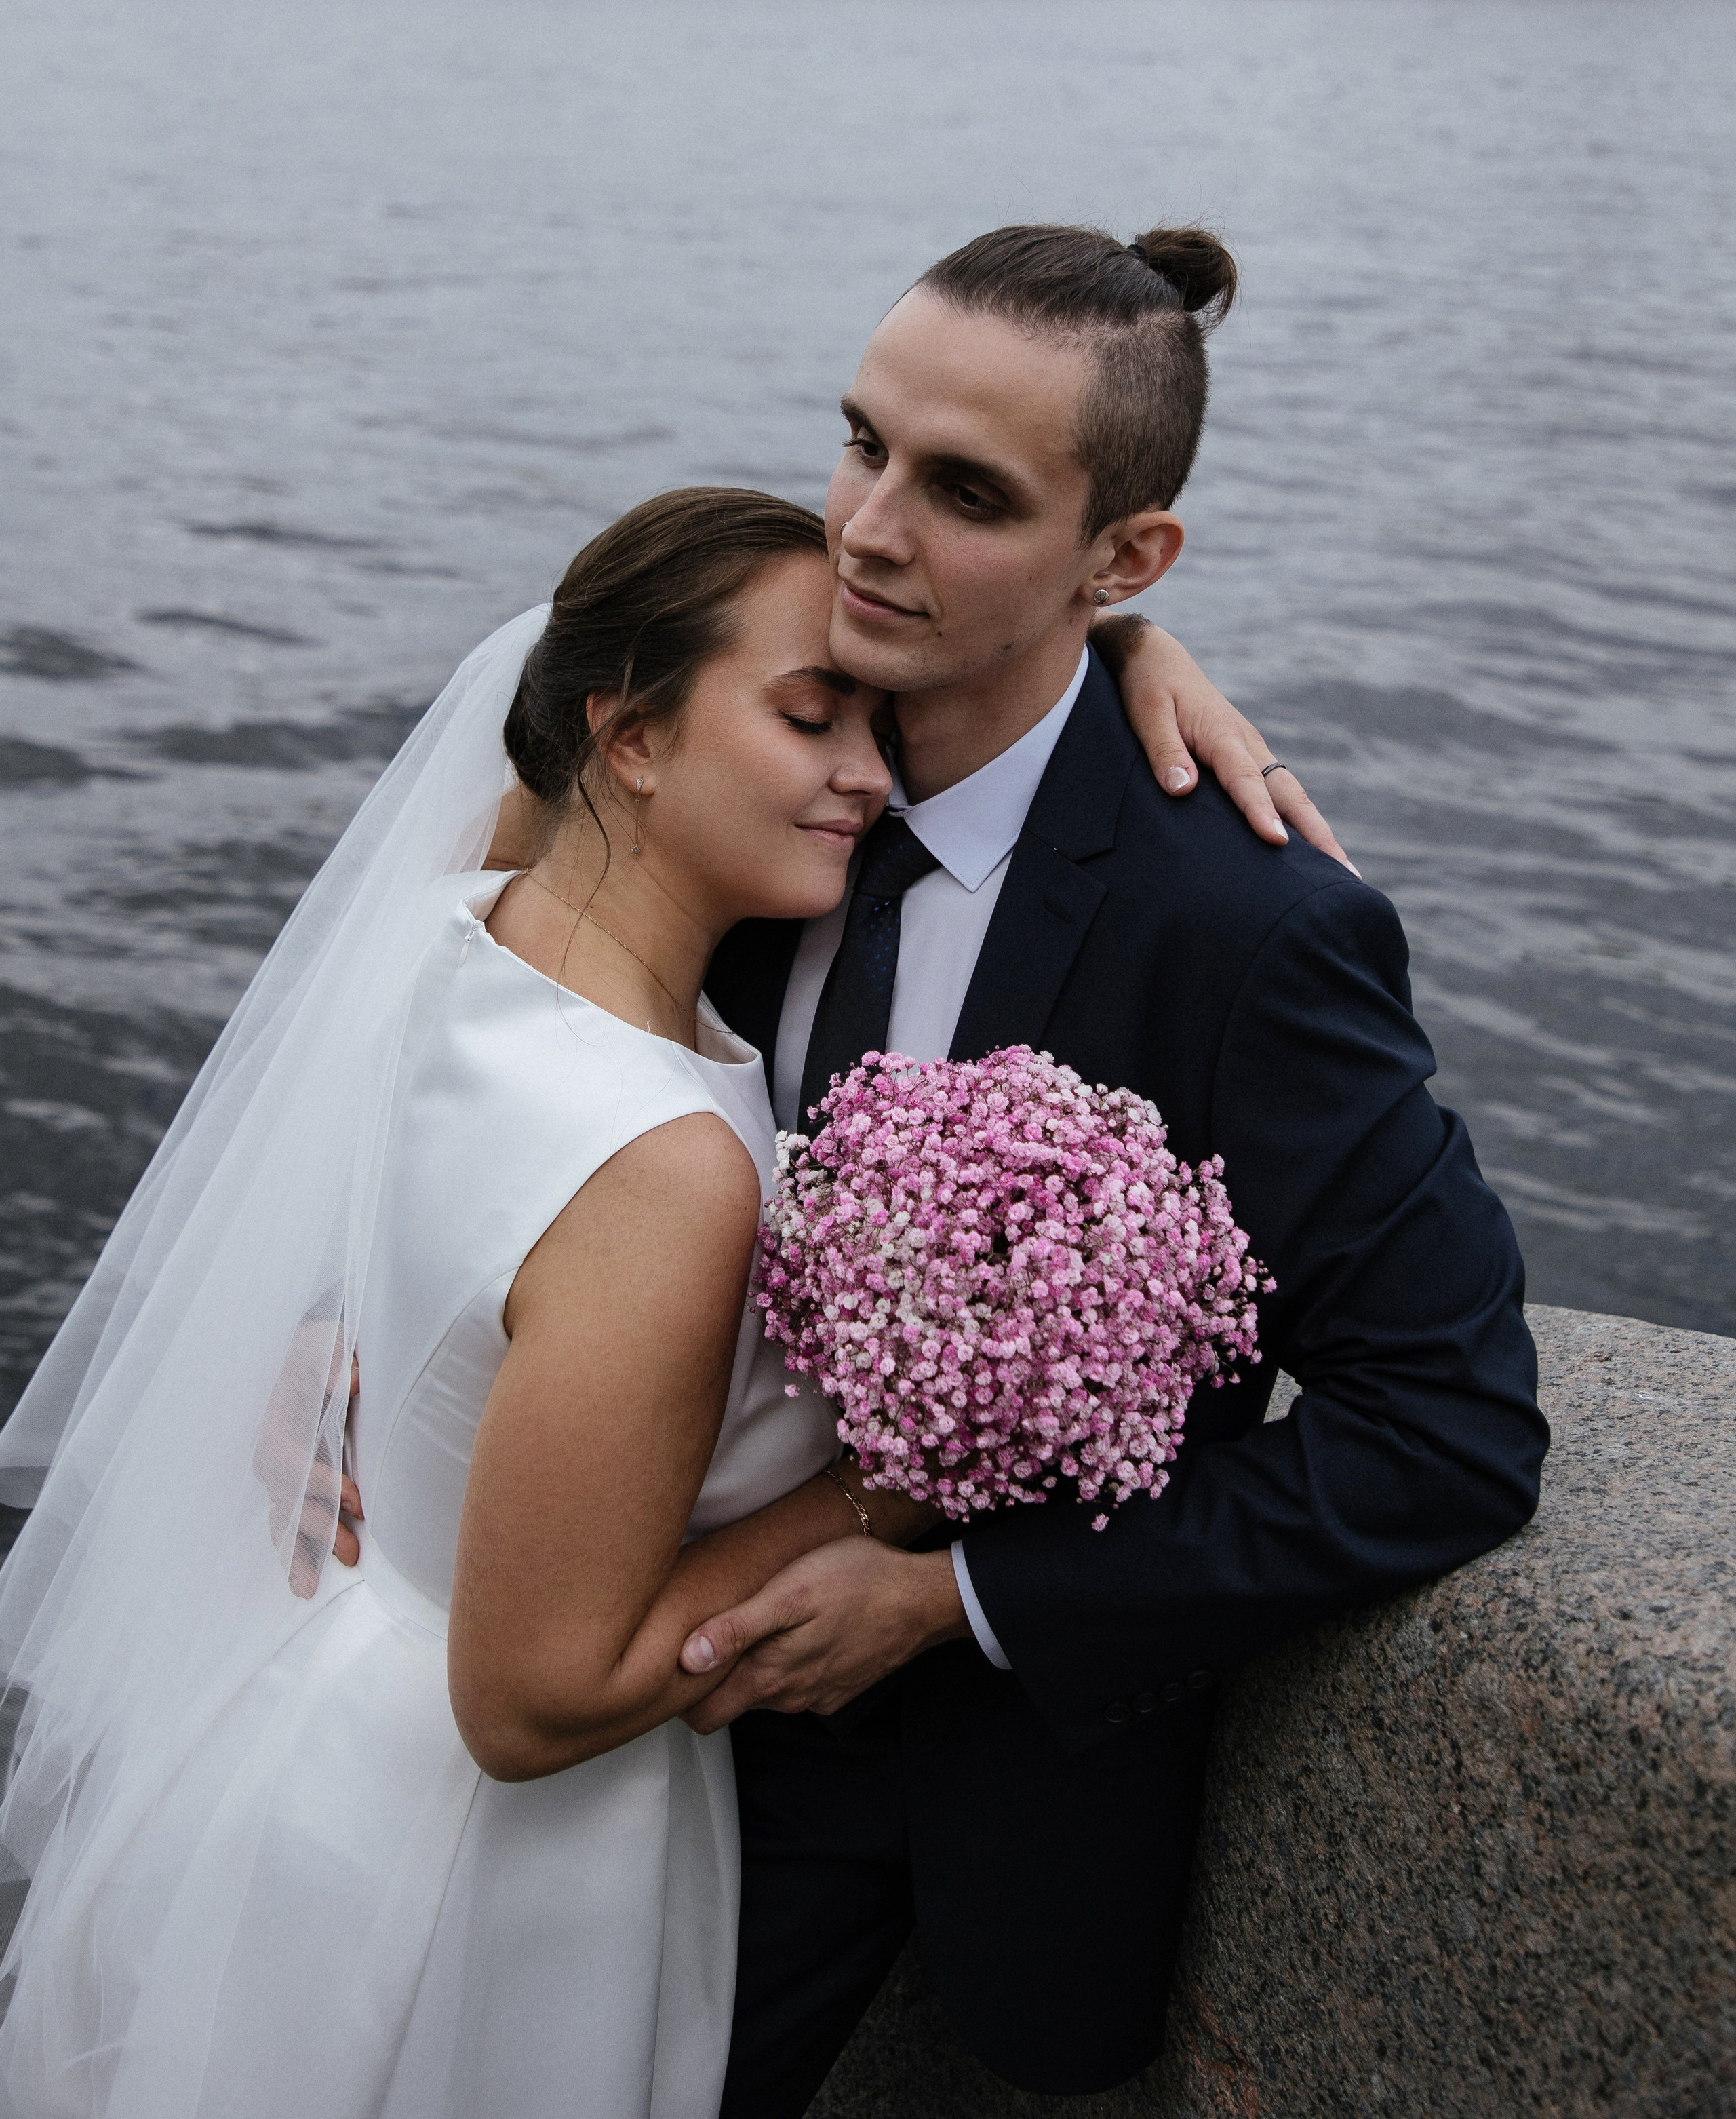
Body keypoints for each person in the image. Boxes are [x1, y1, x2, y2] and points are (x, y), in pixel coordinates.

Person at [0, 453, 1297, 2116]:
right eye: (812, 721)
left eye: (870, 727)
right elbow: (533, 1701)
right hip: (481, 1871)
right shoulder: (663, 1169)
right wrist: (881, 1497)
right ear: (626, 735)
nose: (871, 780)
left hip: (303, 1733)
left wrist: (1114, 657)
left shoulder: (468, 920)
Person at [677, 222, 1549, 2111]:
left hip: (970, 1786)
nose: (868, 529)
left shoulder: (1251, 933)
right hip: (625, 1667)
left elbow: (1450, 1426)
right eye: (861, 444)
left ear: (1129, 558)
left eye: (966, 492)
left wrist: (956, 1599)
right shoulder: (743, 747)